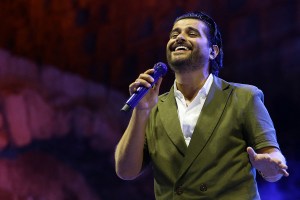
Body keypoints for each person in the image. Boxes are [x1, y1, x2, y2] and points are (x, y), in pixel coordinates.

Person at [114, 11, 289, 199]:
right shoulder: (153, 107)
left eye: (192, 33)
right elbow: (126, 171)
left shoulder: (244, 97)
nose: (179, 37)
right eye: (174, 34)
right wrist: (141, 111)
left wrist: (270, 167)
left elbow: (274, 160)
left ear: (213, 51)